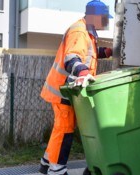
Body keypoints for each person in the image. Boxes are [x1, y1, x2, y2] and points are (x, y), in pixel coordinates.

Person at [39, 1, 112, 174]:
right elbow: (72, 58)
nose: (106, 22)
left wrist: (105, 52)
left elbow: (87, 52)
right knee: (65, 130)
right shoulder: (79, 31)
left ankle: (46, 162)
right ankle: (56, 169)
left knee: (60, 128)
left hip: (64, 89)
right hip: (63, 90)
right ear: (94, 16)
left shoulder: (87, 32)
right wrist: (83, 72)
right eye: (104, 18)